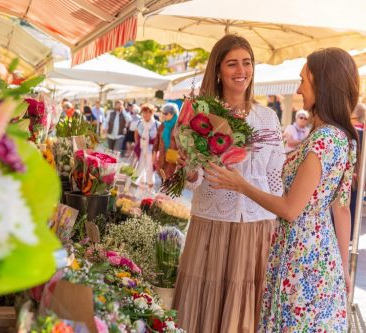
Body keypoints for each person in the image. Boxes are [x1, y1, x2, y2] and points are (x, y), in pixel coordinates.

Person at [205, 48, 359, 332]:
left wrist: (240, 185)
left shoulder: (323, 140)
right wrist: (340, 270)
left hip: (302, 256)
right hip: (321, 256)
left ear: (323, 85)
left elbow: (290, 209)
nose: (299, 88)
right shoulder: (343, 138)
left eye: (304, 80)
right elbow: (340, 209)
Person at [172, 34, 285, 333]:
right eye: (232, 64)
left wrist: (276, 219)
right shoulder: (200, 115)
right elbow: (193, 180)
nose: (241, 71)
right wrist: (190, 171)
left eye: (247, 63)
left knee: (244, 311)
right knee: (202, 310)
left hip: (257, 228)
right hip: (212, 223)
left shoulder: (267, 118)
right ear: (218, 70)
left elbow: (276, 178)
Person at [348, 103, 365, 240]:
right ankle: (352, 235)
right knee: (354, 205)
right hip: (360, 174)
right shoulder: (363, 131)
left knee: (345, 206)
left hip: (350, 173)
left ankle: (347, 235)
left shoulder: (351, 131)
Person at [152, 103, 179, 181]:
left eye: (165, 113)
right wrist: (154, 153)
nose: (163, 115)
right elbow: (156, 141)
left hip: (174, 157)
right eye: (163, 113)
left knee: (170, 179)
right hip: (162, 156)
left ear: (173, 114)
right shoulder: (163, 125)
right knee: (162, 177)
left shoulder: (178, 126)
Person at [134, 104, 158, 188]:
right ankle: (140, 185)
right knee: (140, 166)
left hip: (151, 149)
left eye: (147, 113)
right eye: (144, 113)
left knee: (150, 167)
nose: (145, 115)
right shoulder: (140, 122)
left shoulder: (156, 124)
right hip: (141, 147)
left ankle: (150, 186)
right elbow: (136, 133)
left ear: (151, 113)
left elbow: (158, 139)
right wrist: (138, 143)